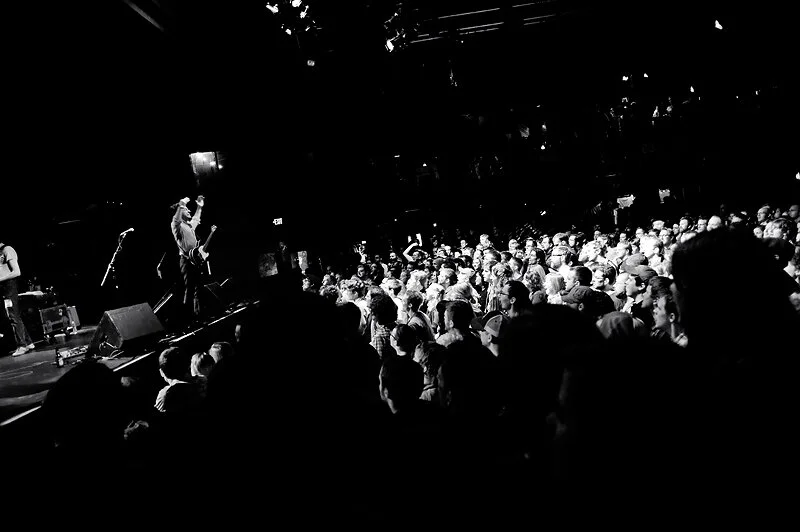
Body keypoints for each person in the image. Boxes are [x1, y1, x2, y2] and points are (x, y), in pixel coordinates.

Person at [170, 195, 205, 325]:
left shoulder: (188, 225)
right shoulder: (176, 225)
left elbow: (196, 218)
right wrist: (181, 203)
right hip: (185, 261)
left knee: (198, 289)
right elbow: (176, 217)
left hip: (195, 260)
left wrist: (199, 207)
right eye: (186, 209)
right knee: (190, 289)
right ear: (179, 212)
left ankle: (199, 317)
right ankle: (187, 320)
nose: (188, 211)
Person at [0, 241, 35, 356]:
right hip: (3, 287)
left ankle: (22, 345)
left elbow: (17, 272)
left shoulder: (7, 250)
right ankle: (28, 342)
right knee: (13, 315)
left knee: (13, 316)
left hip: (9, 286)